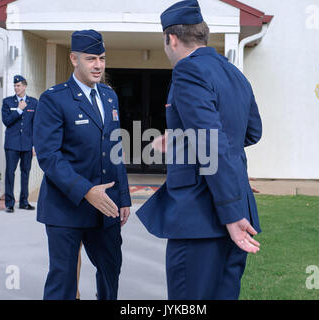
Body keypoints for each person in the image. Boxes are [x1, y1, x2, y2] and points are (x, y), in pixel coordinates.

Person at [136, 0, 263, 300]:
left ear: (172, 38)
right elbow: (251, 133)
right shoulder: (234, 74)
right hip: (236, 210)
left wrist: (230, 216)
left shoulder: (187, 71)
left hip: (203, 217)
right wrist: (183, 138)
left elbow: (211, 139)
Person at [33, 29, 131, 300]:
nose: (98, 65)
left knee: (111, 271)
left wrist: (123, 197)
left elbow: (115, 149)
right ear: (74, 59)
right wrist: (87, 190)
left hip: (106, 208)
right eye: (91, 59)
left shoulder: (109, 96)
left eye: (102, 58)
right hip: (66, 207)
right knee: (63, 281)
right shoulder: (54, 99)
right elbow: (49, 155)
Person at [1, 75, 37, 213]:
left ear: (25, 86)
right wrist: (19, 110)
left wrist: (35, 145)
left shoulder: (34, 103)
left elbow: (35, 125)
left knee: (25, 173)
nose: (16, 88)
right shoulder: (7, 102)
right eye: (15, 86)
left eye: (19, 85)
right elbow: (7, 121)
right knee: (10, 173)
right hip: (12, 144)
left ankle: (24, 201)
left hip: (27, 144)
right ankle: (9, 203)